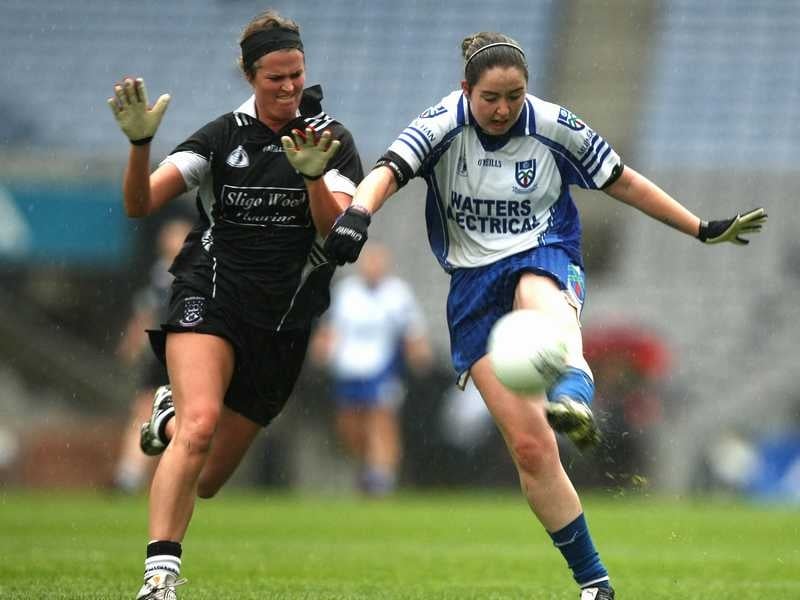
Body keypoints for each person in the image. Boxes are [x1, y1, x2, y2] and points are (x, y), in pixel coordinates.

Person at [321, 31, 767, 599]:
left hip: (544, 251)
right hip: (472, 286)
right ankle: (595, 584)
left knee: (538, 290)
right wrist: (359, 213)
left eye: (515, 96)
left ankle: (575, 391)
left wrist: (700, 228)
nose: (503, 109)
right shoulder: (441, 124)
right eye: (491, 98)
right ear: (466, 90)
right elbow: (387, 169)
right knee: (533, 450)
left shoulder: (554, 125)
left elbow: (623, 181)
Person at [106, 9, 363, 599]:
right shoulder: (221, 137)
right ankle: (159, 579)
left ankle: (168, 418)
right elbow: (140, 204)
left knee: (210, 477)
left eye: (296, 74)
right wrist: (141, 145)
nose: (289, 87)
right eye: (275, 77)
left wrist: (312, 177)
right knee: (200, 429)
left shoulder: (331, 140)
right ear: (250, 76)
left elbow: (336, 235)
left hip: (284, 322)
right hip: (210, 296)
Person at [309, 242, 432, 496]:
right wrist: (321, 348)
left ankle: (382, 479)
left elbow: (412, 330)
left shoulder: (397, 294)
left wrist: (418, 353)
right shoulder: (346, 293)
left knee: (382, 421)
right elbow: (330, 329)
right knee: (349, 429)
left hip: (381, 369)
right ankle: (367, 468)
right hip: (347, 370)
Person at [112, 217, 193, 494]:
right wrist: (132, 344)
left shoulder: (195, 272)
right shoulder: (160, 275)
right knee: (147, 412)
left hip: (187, 354)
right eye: (170, 236)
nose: (172, 241)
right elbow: (146, 313)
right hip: (163, 354)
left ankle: (159, 475)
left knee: (178, 417)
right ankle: (130, 475)